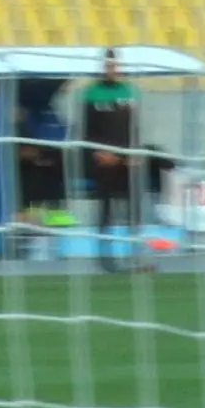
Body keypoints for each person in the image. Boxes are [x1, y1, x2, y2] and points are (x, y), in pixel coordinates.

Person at [80, 49, 145, 272]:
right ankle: (106, 258)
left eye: (114, 65)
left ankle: (135, 257)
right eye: (107, 66)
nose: (111, 70)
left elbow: (134, 128)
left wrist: (133, 152)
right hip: (104, 159)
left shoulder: (130, 92)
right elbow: (87, 130)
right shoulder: (91, 93)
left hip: (126, 159)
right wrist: (99, 152)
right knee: (106, 208)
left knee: (134, 208)